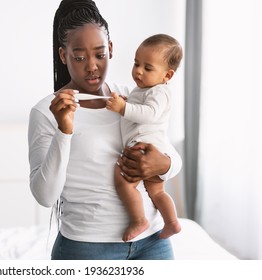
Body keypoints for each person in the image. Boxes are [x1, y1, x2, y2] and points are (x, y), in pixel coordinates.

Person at [28, 0, 182, 260]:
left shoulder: (132, 97)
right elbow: (45, 196)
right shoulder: (47, 111)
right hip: (87, 248)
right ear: (63, 55)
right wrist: (64, 131)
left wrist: (163, 164)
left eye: (99, 54)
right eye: (79, 57)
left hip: (154, 242)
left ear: (110, 49)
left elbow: (171, 156)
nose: (91, 66)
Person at [106, 34, 183, 241]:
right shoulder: (141, 90)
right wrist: (126, 101)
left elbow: (148, 114)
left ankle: (138, 219)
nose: (138, 71)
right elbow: (138, 108)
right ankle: (172, 222)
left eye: (148, 68)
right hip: (149, 147)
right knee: (157, 193)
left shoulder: (159, 92)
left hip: (144, 148)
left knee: (122, 180)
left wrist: (124, 108)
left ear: (167, 76)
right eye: (136, 63)